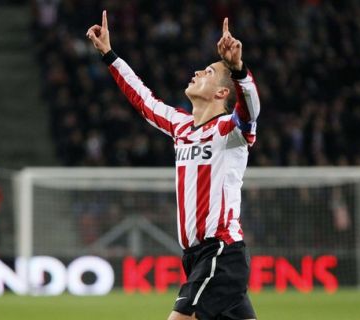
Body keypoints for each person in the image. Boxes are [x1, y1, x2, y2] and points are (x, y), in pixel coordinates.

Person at [87, 10, 260, 320]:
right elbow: (143, 99)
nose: (197, 72)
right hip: (195, 258)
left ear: (222, 92)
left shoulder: (229, 132)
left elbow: (251, 112)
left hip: (220, 253)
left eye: (207, 71)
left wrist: (239, 71)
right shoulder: (181, 126)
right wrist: (109, 55)